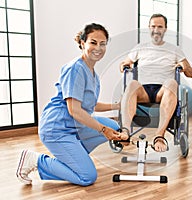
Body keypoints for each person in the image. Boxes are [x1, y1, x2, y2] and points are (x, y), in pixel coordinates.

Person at [16, 23, 128, 186]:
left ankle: (73, 158)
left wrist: (117, 106)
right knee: (87, 177)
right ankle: (36, 160)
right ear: (83, 44)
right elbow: (74, 110)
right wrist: (103, 130)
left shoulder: (93, 74)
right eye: (93, 42)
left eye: (102, 44)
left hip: (75, 126)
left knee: (114, 125)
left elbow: (91, 105)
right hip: (57, 128)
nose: (98, 48)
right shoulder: (75, 68)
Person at [120, 14, 192, 152]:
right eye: (153, 26)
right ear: (149, 28)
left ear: (165, 29)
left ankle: (159, 136)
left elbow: (191, 73)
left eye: (160, 26)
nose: (156, 29)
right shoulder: (140, 48)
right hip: (143, 91)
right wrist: (125, 65)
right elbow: (124, 63)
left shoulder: (175, 49)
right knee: (132, 84)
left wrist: (184, 66)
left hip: (163, 90)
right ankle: (125, 131)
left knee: (172, 83)